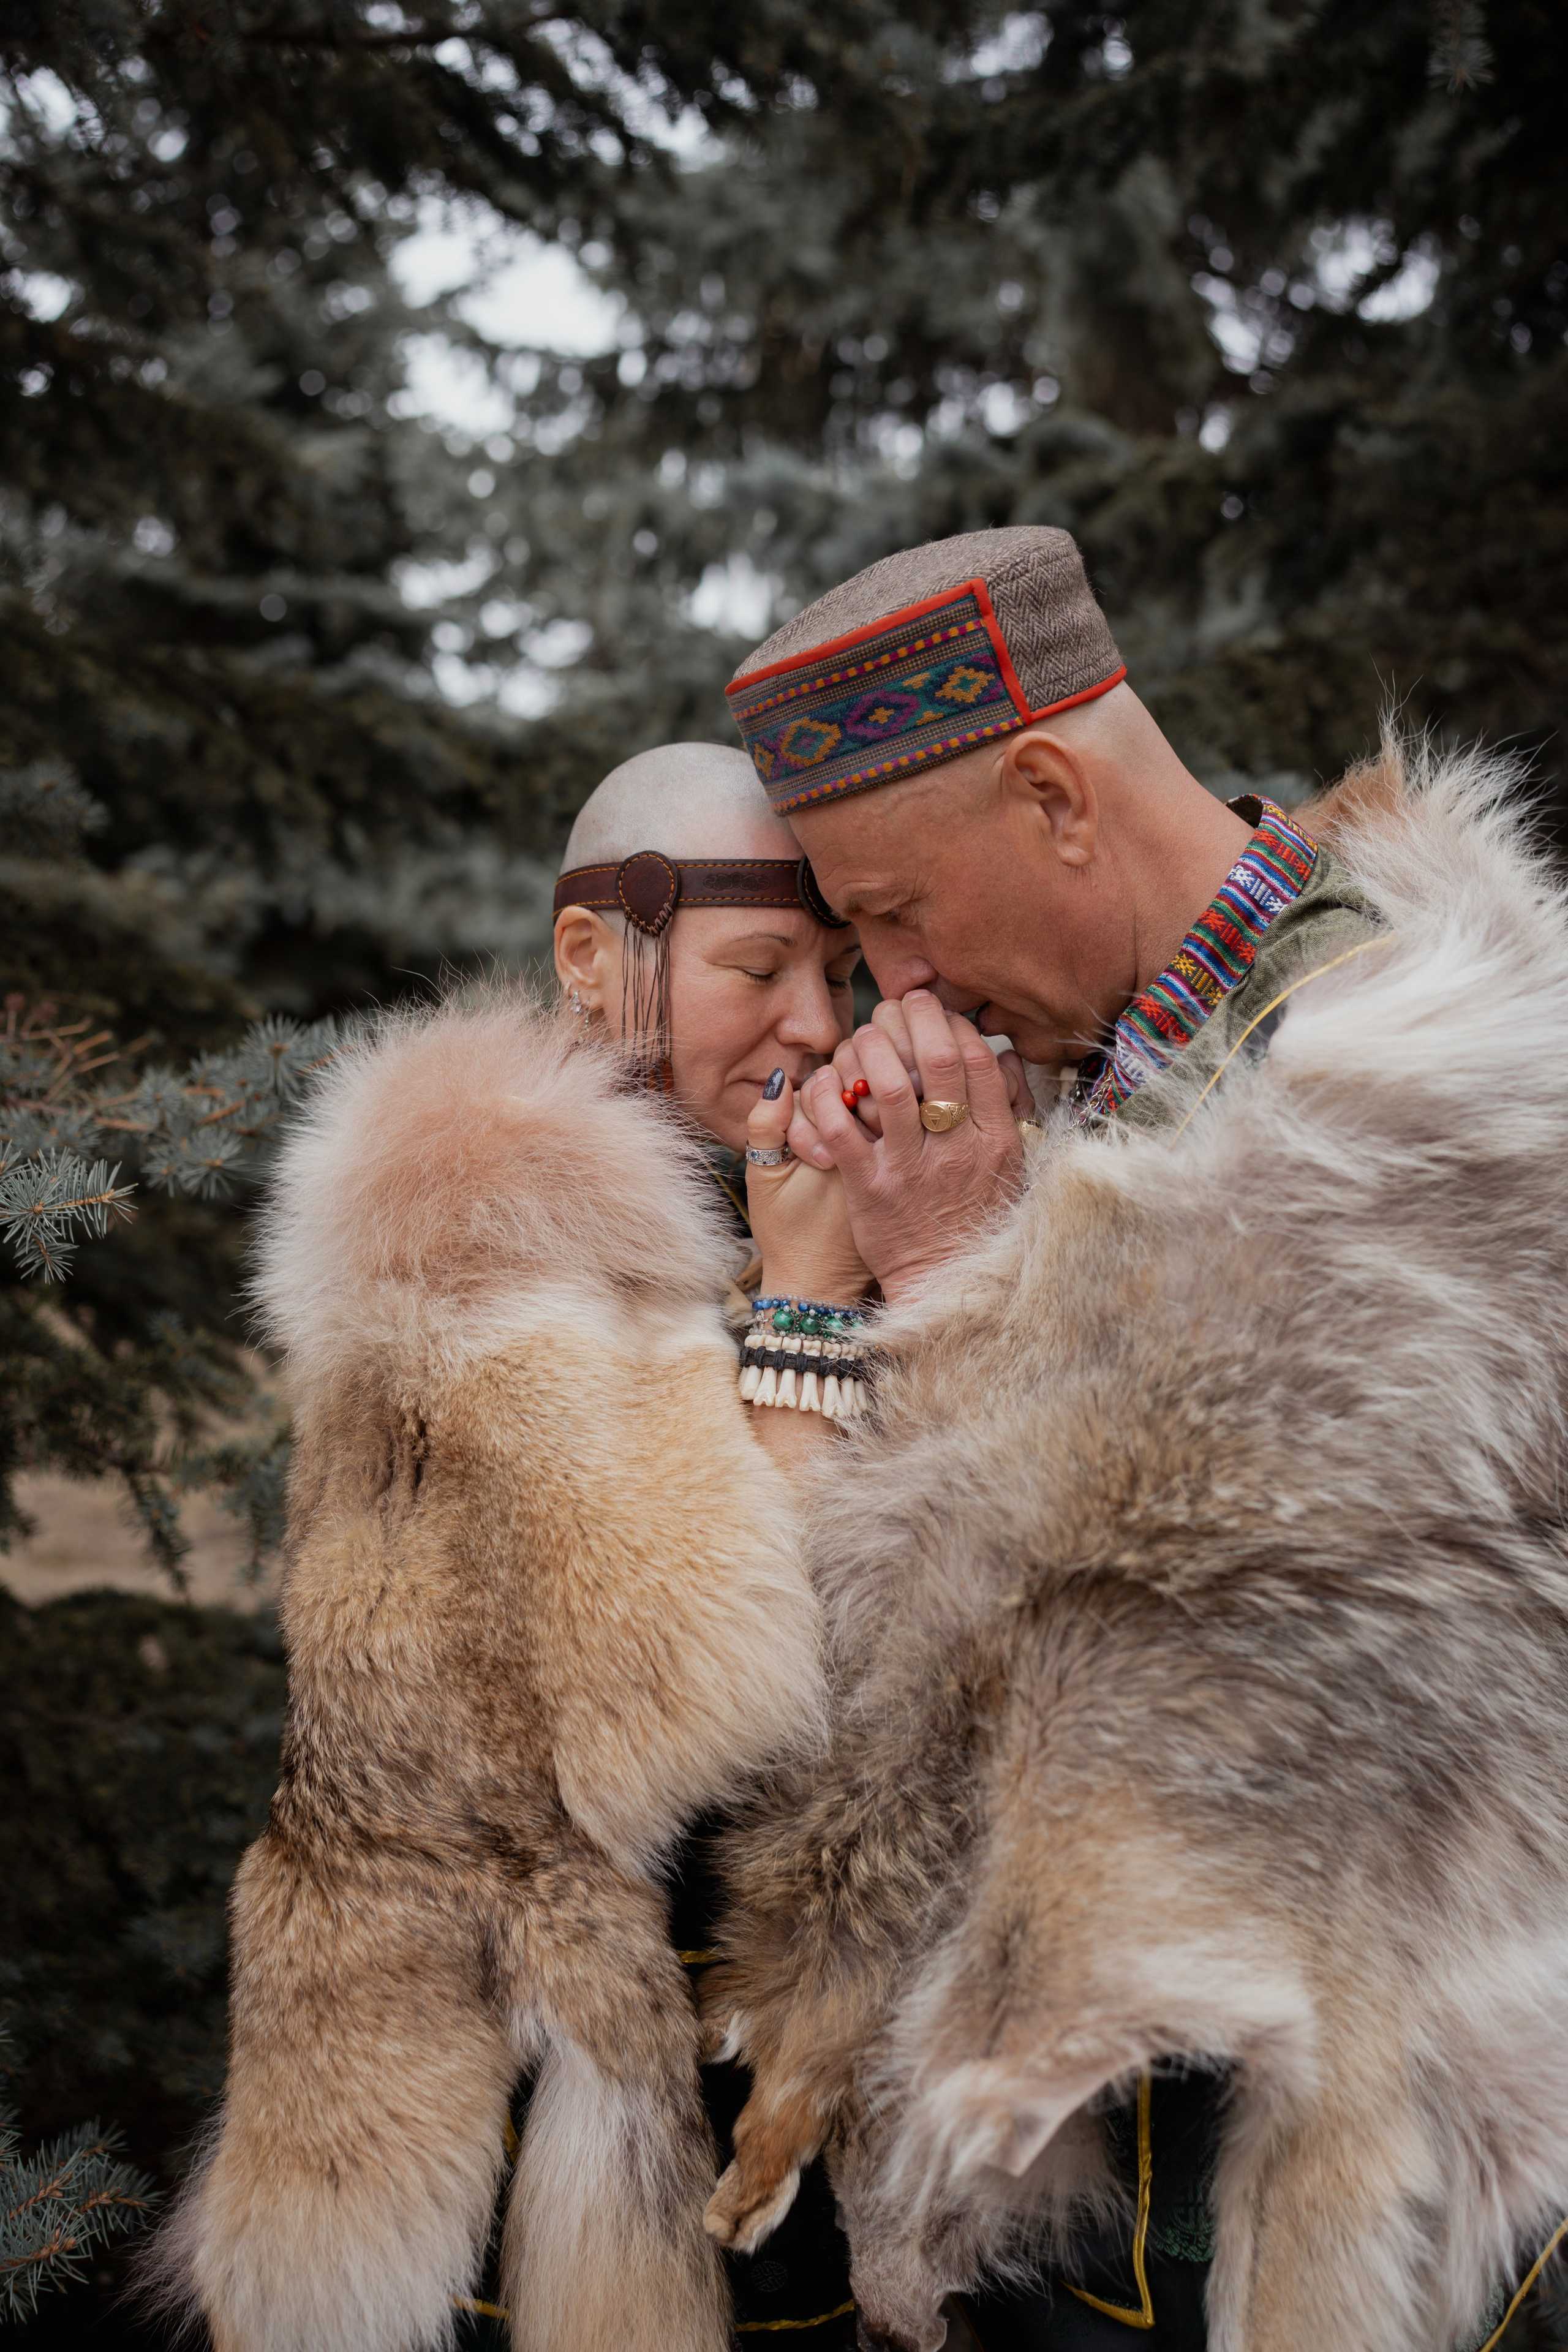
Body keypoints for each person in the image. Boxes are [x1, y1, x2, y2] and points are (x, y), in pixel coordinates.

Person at [698, 529, 1568, 2351]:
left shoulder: (1400, 1074)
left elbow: (1148, 1675)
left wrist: (949, 1279)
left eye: (890, 913)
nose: (889, 982)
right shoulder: (1120, 1059)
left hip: (1350, 2203)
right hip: (1109, 2196)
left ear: (1052, 797)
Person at [156, 742, 876, 2352]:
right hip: (508, 2081)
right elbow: (683, 1692)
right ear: (590, 957)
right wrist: (813, 1318)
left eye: (839, 971)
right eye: (760, 967)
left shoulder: (717, 1201)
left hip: (719, 2075)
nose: (817, 1023)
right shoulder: (467, 1216)